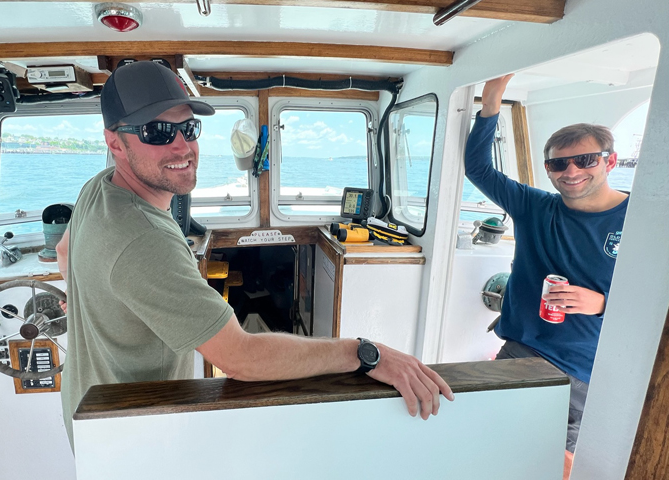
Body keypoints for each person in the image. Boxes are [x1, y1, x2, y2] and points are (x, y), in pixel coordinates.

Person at [55, 61, 454, 448]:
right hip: (132, 439)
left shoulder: (98, 187)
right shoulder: (145, 240)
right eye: (156, 131)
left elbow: (64, 249)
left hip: (90, 413)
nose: (182, 145)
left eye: (188, 127)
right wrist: (365, 354)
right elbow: (241, 358)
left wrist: (95, 301)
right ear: (115, 142)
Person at [465, 74, 629, 467]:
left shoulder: (642, 219)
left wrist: (603, 303)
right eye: (558, 163)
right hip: (521, 349)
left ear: (610, 160)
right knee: (482, 437)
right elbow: (479, 170)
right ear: (548, 168)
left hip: (583, 365)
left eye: (585, 160)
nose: (571, 171)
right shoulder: (534, 206)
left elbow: (657, 300)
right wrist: (490, 103)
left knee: (555, 461)